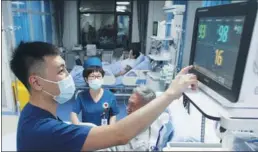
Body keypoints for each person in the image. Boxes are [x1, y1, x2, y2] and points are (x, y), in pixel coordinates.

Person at [10, 41, 197, 151]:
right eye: (61, 71)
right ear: (36, 82)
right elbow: (120, 134)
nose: (68, 76)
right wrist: (171, 93)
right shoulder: (43, 129)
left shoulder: (33, 114)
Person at [111, 86, 173, 151]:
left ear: (146, 109)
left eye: (132, 105)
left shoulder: (143, 144)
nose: (127, 108)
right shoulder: (133, 121)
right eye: (128, 103)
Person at [70, 57, 119, 126]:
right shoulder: (81, 96)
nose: (96, 79)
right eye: (92, 76)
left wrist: (110, 128)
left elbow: (113, 115)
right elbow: (73, 113)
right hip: (87, 132)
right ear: (86, 79)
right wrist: (77, 126)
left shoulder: (110, 96)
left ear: (102, 78)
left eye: (98, 76)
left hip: (104, 132)